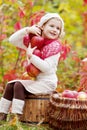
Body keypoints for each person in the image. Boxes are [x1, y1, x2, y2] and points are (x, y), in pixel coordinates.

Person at [0, 12, 65, 121]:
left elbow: (46, 68)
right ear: (42, 26)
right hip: (39, 81)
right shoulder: (35, 42)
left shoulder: (54, 47)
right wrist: (27, 30)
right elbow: (12, 40)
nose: (54, 29)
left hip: (48, 83)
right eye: (51, 26)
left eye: (58, 28)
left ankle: (16, 117)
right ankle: (2, 114)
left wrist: (31, 56)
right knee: (11, 85)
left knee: (18, 85)